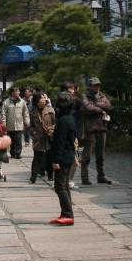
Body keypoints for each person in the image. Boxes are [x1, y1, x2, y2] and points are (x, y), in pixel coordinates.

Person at [48, 90, 78, 224]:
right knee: (64, 185)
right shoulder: (70, 118)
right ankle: (65, 213)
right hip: (69, 155)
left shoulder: (63, 121)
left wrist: (55, 160)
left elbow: (59, 142)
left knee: (59, 186)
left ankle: (68, 214)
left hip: (62, 157)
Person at [77, 76, 113, 185]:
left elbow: (109, 106)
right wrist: (100, 109)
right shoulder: (84, 95)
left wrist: (95, 105)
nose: (97, 87)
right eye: (95, 85)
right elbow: (87, 108)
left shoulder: (102, 95)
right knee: (87, 155)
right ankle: (85, 177)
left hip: (102, 127)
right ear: (90, 86)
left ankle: (101, 176)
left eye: (98, 85)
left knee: (101, 155)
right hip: (90, 128)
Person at [28, 89, 55, 184]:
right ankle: (33, 176)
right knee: (37, 157)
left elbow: (55, 122)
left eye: (44, 98)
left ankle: (50, 175)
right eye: (42, 98)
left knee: (49, 157)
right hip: (38, 138)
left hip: (49, 136)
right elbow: (30, 126)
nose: (44, 100)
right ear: (37, 100)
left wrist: (52, 130)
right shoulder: (33, 112)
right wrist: (33, 133)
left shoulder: (50, 110)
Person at [2, 86, 29, 159]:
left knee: (18, 139)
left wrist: (27, 121)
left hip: (19, 124)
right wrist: (4, 123)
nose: (18, 92)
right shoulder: (6, 102)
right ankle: (13, 153)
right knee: (11, 140)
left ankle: (18, 153)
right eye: (17, 91)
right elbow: (3, 114)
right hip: (10, 124)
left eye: (18, 91)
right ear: (12, 93)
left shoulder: (22, 102)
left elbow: (25, 113)